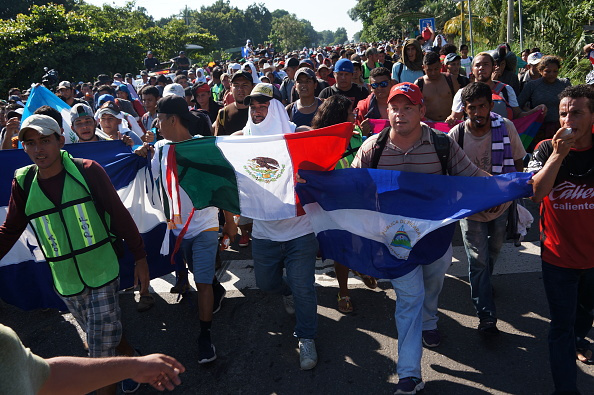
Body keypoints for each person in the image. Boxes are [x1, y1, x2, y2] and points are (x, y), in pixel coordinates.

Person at [0, 114, 151, 395]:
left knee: (98, 353)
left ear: (60, 140)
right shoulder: (23, 182)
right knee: (103, 334)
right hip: (66, 280)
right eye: (30, 143)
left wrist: (140, 257)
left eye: (45, 140)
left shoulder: (88, 170)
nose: (38, 149)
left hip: (102, 270)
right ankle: (131, 359)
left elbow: (118, 215)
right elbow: (10, 230)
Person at [351, 82, 486, 394]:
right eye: (395, 107)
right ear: (387, 111)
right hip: (396, 241)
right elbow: (353, 185)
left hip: (436, 238)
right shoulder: (373, 147)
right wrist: (314, 182)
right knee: (409, 299)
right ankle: (409, 374)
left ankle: (430, 319)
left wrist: (512, 185)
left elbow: (473, 177)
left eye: (408, 107)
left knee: (433, 282)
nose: (400, 113)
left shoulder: (442, 144)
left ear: (422, 111)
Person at [135, 95, 236, 365]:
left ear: (172, 119)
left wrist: (229, 221)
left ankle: (205, 337)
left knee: (200, 282)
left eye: (159, 118)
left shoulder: (202, 148)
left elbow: (221, 186)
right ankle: (217, 290)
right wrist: (139, 151)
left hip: (204, 225)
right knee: (196, 272)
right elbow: (145, 168)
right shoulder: (159, 149)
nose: (156, 123)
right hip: (176, 230)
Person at [233, 83, 318, 370]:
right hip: (264, 233)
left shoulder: (298, 135)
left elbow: (326, 158)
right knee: (268, 284)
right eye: (253, 106)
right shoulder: (239, 140)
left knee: (304, 287)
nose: (257, 111)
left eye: (263, 105)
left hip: (300, 230)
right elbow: (209, 152)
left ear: (278, 107)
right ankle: (287, 292)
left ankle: (306, 337)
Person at [528, 84, 594, 394]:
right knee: (560, 328)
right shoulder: (545, 149)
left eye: (577, 113)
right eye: (564, 113)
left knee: (584, 316)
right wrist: (558, 155)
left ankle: (581, 336)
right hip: (558, 259)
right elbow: (536, 193)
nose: (568, 120)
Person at [449, 82, 526, 334]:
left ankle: (483, 283)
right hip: (470, 210)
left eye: (483, 106)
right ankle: (486, 315)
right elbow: (449, 175)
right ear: (464, 109)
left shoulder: (506, 128)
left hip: (501, 206)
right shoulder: (456, 136)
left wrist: (509, 197)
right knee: (477, 260)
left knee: (493, 250)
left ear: (491, 106)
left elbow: (517, 163)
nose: (478, 112)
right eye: (472, 108)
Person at [0, 323, 185, 395]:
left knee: (101, 335)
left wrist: (134, 366)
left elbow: (47, 377)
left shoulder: (4, 340)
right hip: (68, 285)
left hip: (99, 276)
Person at [447, 52, 546, 123]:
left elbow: (518, 115)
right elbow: (455, 119)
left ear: (493, 67)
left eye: (485, 64)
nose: (481, 68)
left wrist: (535, 111)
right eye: (478, 65)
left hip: (502, 142)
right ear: (472, 70)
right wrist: (450, 119)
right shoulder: (462, 93)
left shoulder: (506, 90)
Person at [518, 55, 571, 145]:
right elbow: (518, 105)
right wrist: (531, 111)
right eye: (547, 71)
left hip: (560, 128)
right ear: (541, 71)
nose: (552, 74)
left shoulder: (564, 84)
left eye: (555, 71)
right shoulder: (532, 85)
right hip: (538, 129)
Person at [414, 52, 458, 122]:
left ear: (441, 66)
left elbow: (459, 102)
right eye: (429, 70)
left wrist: (454, 116)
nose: (433, 73)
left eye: (436, 69)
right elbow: (415, 107)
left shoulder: (450, 79)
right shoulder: (419, 83)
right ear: (423, 68)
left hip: (450, 122)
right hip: (428, 123)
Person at [213, 71, 253, 136]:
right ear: (231, 88)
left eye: (245, 85)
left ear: (252, 87)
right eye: (236, 85)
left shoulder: (260, 111)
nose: (240, 89)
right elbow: (218, 142)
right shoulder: (223, 113)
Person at [356, 67, 393, 136]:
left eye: (383, 84)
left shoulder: (402, 103)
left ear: (391, 83)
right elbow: (355, 136)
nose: (379, 88)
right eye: (375, 85)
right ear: (370, 87)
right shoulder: (363, 107)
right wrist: (362, 133)